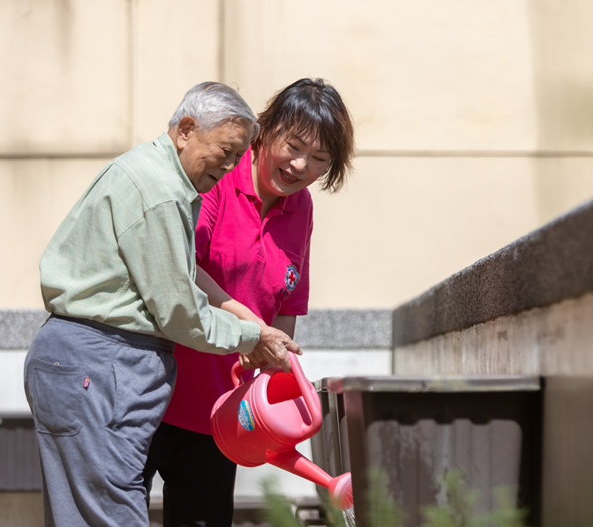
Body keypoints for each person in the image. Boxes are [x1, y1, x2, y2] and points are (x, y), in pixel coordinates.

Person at [24, 82, 301, 527]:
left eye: (238, 155)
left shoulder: (150, 174)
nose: (230, 165)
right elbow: (179, 312)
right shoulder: (160, 190)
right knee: (111, 515)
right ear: (186, 130)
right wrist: (252, 336)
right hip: (101, 365)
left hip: (83, 364)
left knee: (82, 515)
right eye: (225, 151)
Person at [143, 78, 355, 526]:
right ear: (265, 129)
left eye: (319, 159)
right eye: (293, 146)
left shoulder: (301, 208)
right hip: (153, 390)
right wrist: (252, 330)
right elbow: (182, 264)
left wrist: (275, 379)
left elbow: (288, 304)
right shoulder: (220, 172)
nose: (300, 166)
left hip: (222, 414)